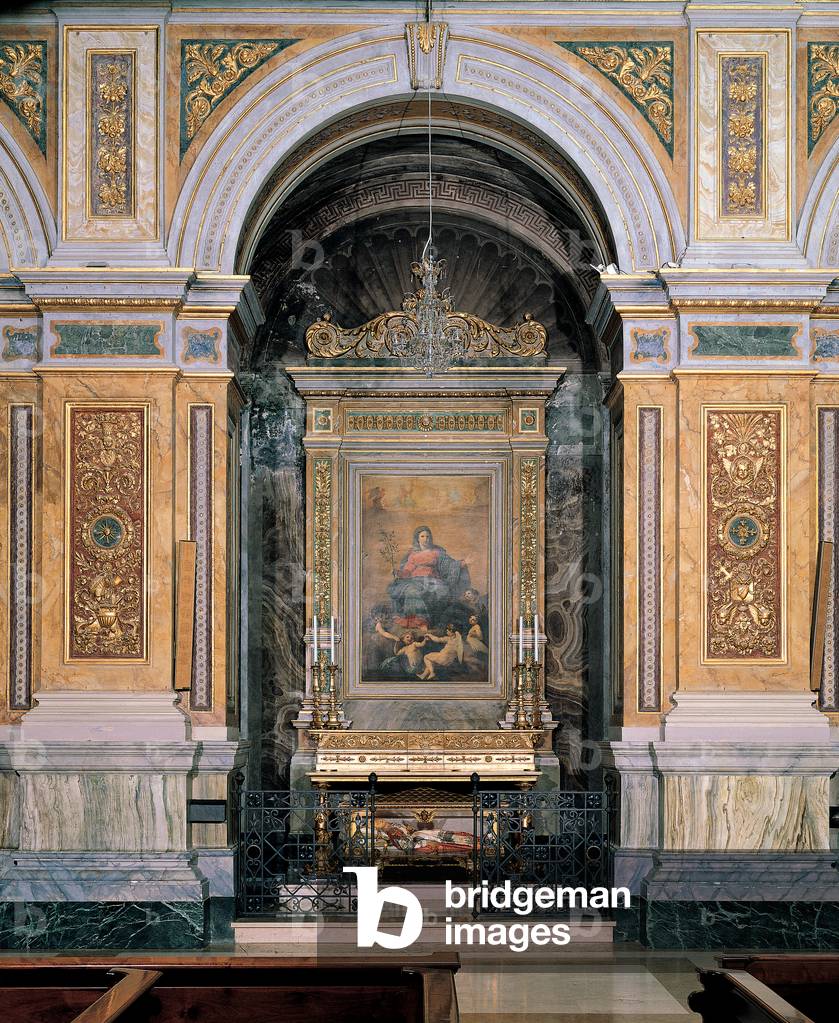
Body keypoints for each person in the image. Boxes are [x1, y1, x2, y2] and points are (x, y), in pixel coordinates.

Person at [387, 526, 470, 628]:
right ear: (417, 538)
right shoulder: (413, 555)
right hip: (415, 581)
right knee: (411, 592)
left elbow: (450, 565)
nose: (426, 539)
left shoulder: (437, 552)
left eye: (428, 536)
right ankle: (419, 621)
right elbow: (407, 572)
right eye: (422, 536)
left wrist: (463, 563)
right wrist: (398, 572)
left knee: (441, 591)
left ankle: (428, 621)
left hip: (433, 581)